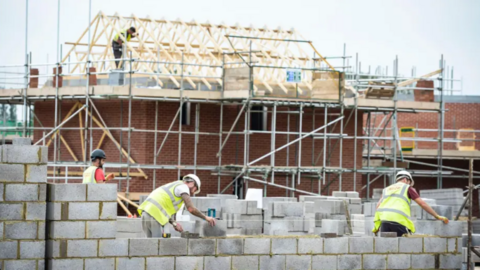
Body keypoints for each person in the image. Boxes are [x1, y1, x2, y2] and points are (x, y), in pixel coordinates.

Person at [372, 171, 449, 237]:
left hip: (384, 221)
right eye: (409, 183)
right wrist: (437, 216)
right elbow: (422, 204)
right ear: (406, 179)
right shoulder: (407, 188)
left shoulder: (386, 189)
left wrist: (377, 226)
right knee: (404, 247)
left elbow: (378, 206)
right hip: (398, 221)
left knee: (388, 248)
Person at [138, 174, 216, 238]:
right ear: (191, 183)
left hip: (146, 214)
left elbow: (163, 210)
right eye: (195, 189)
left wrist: (174, 224)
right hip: (155, 218)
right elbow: (190, 209)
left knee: (149, 245)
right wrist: (206, 218)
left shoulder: (174, 185)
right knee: (159, 246)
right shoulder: (183, 187)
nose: (192, 193)